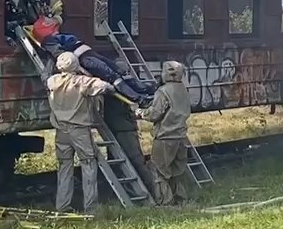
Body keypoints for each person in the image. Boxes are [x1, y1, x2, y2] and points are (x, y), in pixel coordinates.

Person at [46, 51, 112, 213]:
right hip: (79, 131)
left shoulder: (52, 81)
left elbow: (49, 78)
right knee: (88, 165)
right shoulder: (82, 82)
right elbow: (105, 87)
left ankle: (62, 206)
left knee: (64, 167)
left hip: (61, 131)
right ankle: (90, 207)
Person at [32, 18, 156, 104]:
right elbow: (61, 55)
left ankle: (145, 89)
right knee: (113, 77)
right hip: (87, 60)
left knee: (120, 72)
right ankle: (140, 99)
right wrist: (77, 68)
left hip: (91, 55)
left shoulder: (56, 37)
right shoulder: (49, 41)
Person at [139, 60, 194, 205]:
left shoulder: (163, 91)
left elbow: (154, 114)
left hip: (164, 137)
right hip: (181, 136)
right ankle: (181, 200)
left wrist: (141, 113)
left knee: (159, 171)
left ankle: (166, 202)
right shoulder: (183, 89)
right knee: (177, 171)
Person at [102, 65, 154, 195]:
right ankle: (147, 190)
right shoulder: (124, 89)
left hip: (118, 129)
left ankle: (148, 191)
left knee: (131, 163)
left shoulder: (111, 89)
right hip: (125, 129)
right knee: (135, 162)